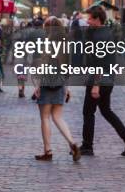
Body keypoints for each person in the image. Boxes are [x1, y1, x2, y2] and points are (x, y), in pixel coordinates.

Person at [81, 6, 125, 157]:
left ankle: (87, 146)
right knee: (106, 111)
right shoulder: (105, 33)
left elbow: (99, 63)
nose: (88, 21)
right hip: (108, 79)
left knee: (88, 112)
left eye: (91, 19)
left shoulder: (99, 36)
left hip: (99, 80)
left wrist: (95, 86)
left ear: (98, 19)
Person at [33, 18, 81, 162]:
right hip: (60, 82)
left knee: (45, 117)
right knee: (58, 117)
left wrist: (38, 85)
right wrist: (66, 87)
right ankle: (72, 142)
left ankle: (48, 151)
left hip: (47, 82)